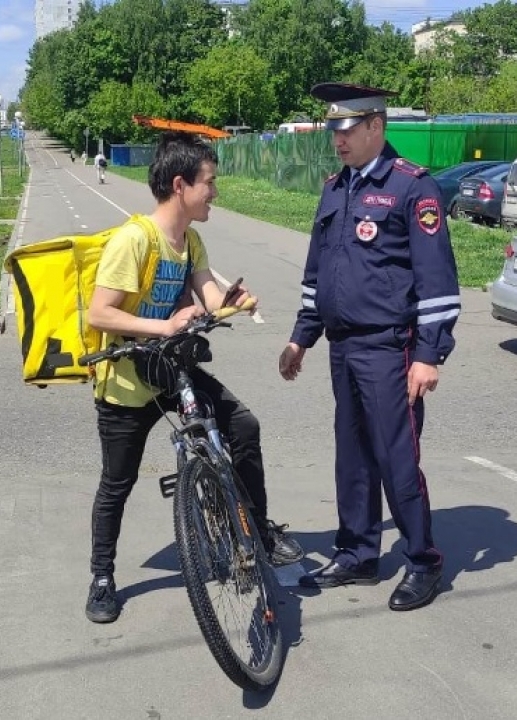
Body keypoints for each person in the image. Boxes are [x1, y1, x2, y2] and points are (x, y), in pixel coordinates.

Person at [85, 131, 304, 624]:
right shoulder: (135, 239)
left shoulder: (191, 241)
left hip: (171, 369)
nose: (216, 192)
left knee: (243, 427)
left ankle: (259, 533)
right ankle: (102, 577)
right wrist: (163, 324)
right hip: (125, 384)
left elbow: (206, 297)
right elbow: (100, 314)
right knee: (116, 484)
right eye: (210, 182)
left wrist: (229, 305)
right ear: (180, 185)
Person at [278, 83, 460, 612]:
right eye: (334, 130)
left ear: (376, 127)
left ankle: (422, 560)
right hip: (343, 347)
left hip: (390, 349)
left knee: (395, 459)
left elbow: (438, 284)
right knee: (352, 459)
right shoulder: (336, 187)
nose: (338, 140)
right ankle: (358, 553)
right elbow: (318, 276)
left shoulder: (413, 189)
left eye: (347, 130)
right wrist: (300, 338)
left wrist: (429, 354)